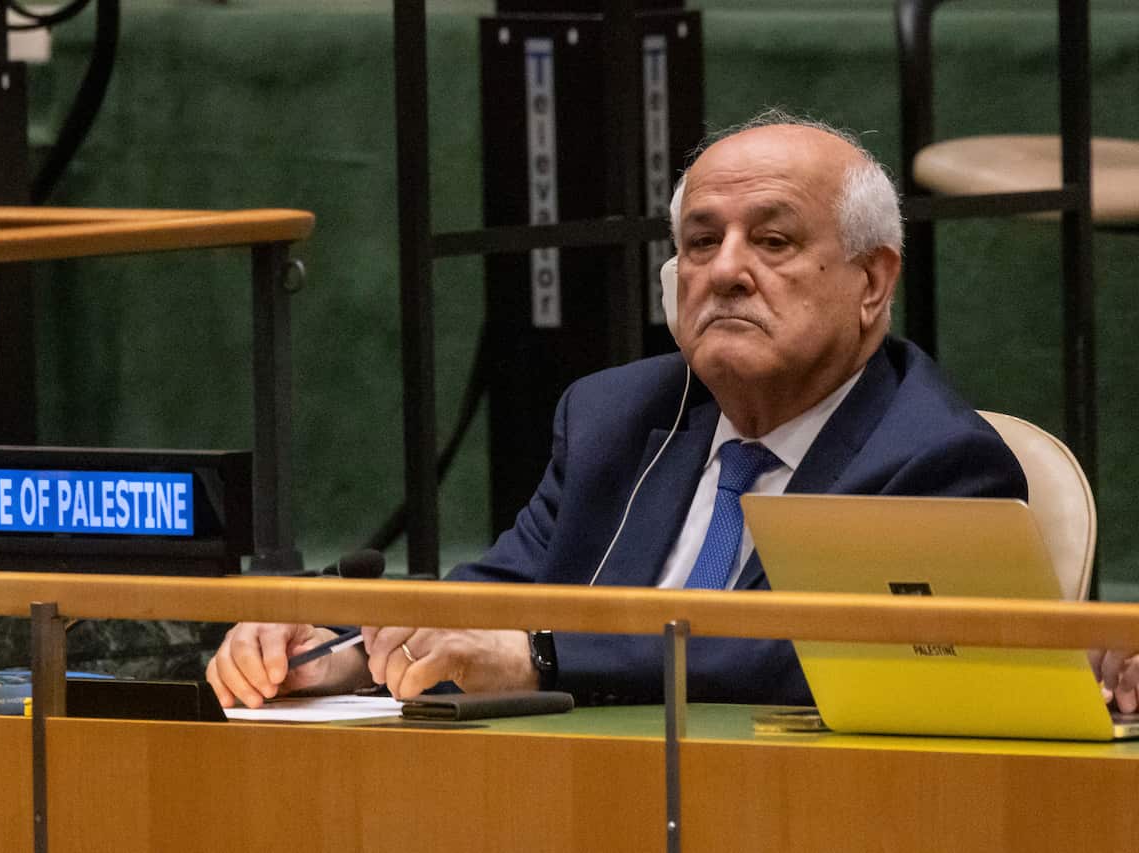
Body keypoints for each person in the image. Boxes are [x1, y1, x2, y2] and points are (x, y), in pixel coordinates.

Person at [208, 110, 1113, 711]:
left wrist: (543, 658)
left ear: (872, 283)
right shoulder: (615, 415)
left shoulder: (935, 454)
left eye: (772, 239)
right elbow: (504, 594)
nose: (723, 269)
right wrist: (338, 648)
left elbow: (820, 658)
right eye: (698, 241)